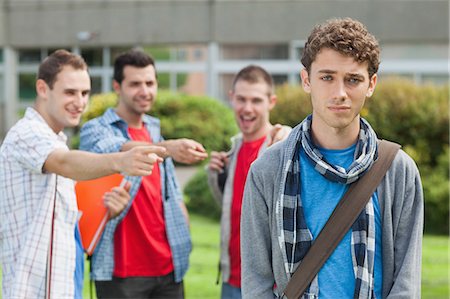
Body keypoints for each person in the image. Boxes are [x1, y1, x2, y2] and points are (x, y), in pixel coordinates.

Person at [241, 18, 424, 299]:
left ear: (371, 84)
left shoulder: (398, 171)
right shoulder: (267, 170)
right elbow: (256, 281)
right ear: (306, 80)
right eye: (327, 77)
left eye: (353, 80)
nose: (339, 93)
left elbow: (406, 282)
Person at [0, 49, 164, 299]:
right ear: (43, 89)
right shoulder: (26, 133)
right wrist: (120, 160)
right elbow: (64, 162)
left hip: (63, 284)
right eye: (70, 92)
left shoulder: (55, 140)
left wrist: (107, 212)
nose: (80, 101)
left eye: (85, 92)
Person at [79, 49, 208, 299]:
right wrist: (167, 148)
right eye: (135, 84)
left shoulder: (153, 128)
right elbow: (110, 148)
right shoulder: (96, 130)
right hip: (121, 273)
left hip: (168, 267)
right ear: (117, 86)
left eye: (150, 83)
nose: (144, 91)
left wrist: (183, 223)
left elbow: (169, 191)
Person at [207, 65, 291, 299]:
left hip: (270, 285)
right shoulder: (231, 153)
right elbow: (234, 213)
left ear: (271, 102)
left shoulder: (281, 147)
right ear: (232, 98)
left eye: (256, 100)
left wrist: (286, 134)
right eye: (241, 99)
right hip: (231, 280)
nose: (247, 108)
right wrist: (217, 177)